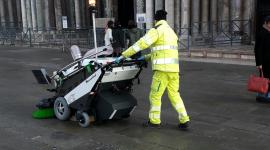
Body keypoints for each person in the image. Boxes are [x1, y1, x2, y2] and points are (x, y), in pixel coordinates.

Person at [115, 10, 190, 130]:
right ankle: (184, 119)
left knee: (155, 95)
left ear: (156, 19)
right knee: (175, 95)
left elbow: (140, 44)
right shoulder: (171, 32)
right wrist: (146, 57)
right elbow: (164, 51)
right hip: (174, 70)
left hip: (162, 71)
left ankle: (154, 121)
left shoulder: (157, 30)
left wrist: (123, 55)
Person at [254, 16, 270, 98]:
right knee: (264, 78)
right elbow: (258, 50)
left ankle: (266, 94)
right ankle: (263, 94)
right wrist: (259, 63)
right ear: (266, 23)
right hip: (264, 62)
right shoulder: (262, 33)